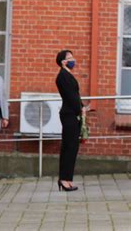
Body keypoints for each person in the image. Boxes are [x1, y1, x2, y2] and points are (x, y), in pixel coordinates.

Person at [55, 50, 83, 192]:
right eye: (70, 58)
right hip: (69, 114)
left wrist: (82, 107)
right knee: (69, 147)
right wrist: (80, 109)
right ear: (63, 62)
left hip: (73, 114)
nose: (73, 60)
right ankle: (64, 179)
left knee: (73, 147)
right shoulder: (62, 76)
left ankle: (68, 179)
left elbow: (76, 96)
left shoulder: (67, 75)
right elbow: (71, 97)